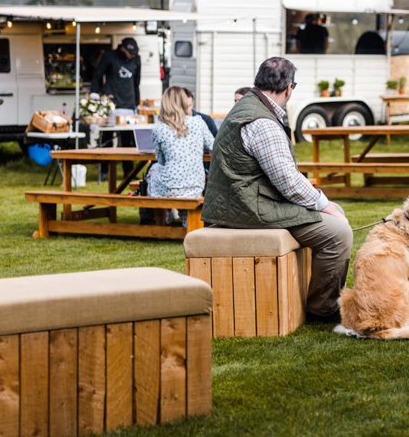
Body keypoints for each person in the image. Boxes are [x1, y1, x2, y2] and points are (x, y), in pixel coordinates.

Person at [202, 57, 352, 322]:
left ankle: (324, 298)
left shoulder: (250, 106)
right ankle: (323, 308)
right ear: (289, 89)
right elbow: (288, 182)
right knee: (338, 232)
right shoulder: (263, 122)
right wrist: (324, 204)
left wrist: (323, 204)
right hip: (247, 208)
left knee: (334, 213)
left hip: (241, 200)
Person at [143, 87, 214, 226]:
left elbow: (161, 160)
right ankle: (184, 220)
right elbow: (214, 146)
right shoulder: (198, 122)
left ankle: (160, 225)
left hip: (169, 186)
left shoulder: (159, 129)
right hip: (194, 184)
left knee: (154, 170)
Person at [90, 37, 142, 176]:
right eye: (130, 53)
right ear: (122, 49)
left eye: (134, 54)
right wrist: (95, 95)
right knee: (107, 137)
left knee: (127, 140)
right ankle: (105, 170)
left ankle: (129, 171)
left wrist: (136, 102)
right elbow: (98, 75)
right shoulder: (109, 57)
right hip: (112, 103)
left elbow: (136, 83)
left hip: (129, 104)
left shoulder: (136, 60)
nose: (132, 56)